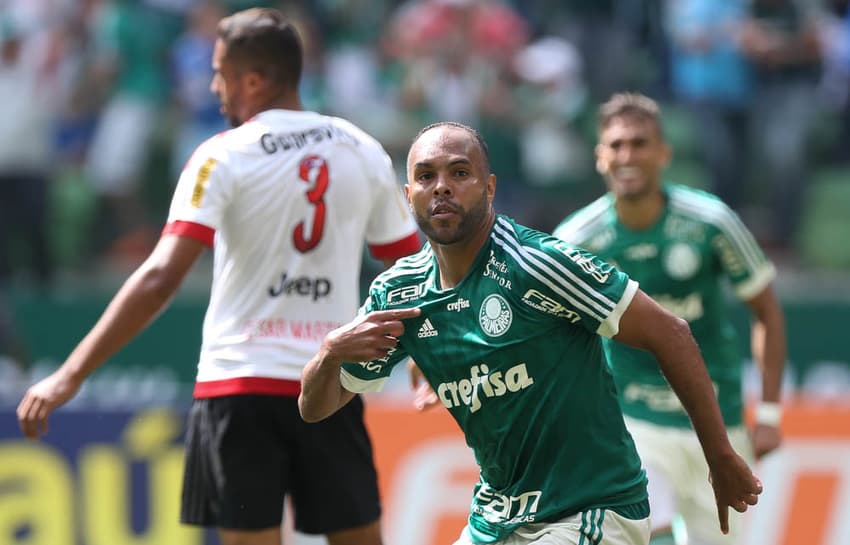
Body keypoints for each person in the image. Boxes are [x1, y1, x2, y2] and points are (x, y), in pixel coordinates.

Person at [17, 8, 421, 545]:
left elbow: (161, 277)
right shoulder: (362, 149)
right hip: (331, 383)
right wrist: (421, 353)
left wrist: (71, 372)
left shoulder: (220, 156)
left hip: (240, 385)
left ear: (252, 79)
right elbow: (410, 270)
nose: (213, 87)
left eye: (219, 72)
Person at [298, 121, 763, 545]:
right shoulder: (398, 293)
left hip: (592, 509)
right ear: (408, 193)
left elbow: (671, 333)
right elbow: (316, 407)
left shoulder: (537, 265)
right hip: (496, 518)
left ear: (490, 187)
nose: (441, 187)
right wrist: (329, 352)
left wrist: (719, 456)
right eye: (426, 176)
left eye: (459, 173)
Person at [553, 93, 786, 545]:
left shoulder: (711, 222)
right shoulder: (576, 241)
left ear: (663, 153)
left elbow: (767, 311)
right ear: (599, 157)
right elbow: (555, 336)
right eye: (616, 145)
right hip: (629, 415)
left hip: (715, 421)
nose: (627, 156)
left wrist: (772, 412)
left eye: (639, 143)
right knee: (649, 529)